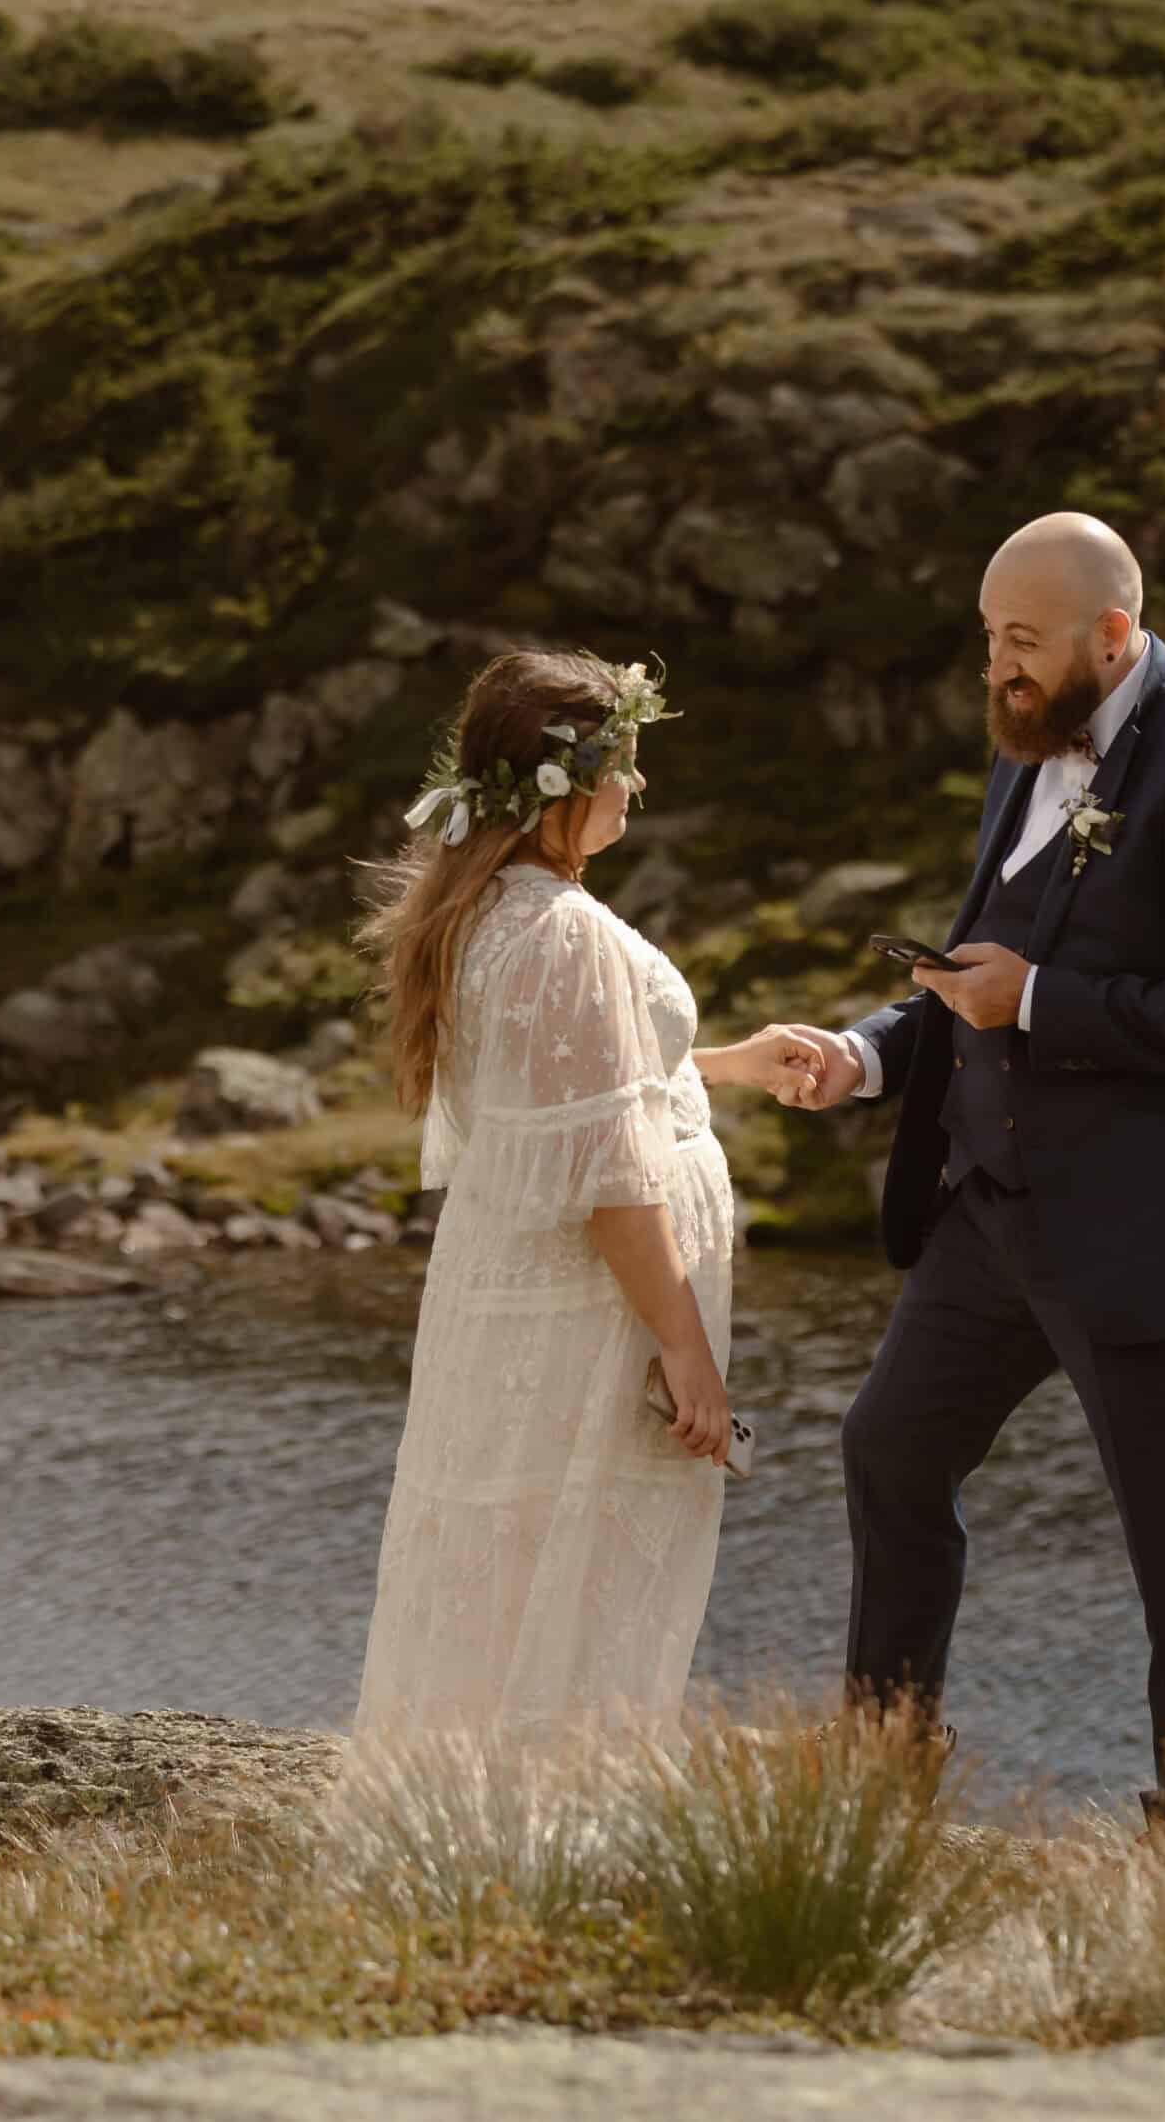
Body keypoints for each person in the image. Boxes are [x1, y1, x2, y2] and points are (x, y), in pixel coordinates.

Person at [791, 512, 1165, 1818]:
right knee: (889, 1454)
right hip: (994, 1212)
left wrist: (1043, 1001)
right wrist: (867, 1054)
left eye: (1020, 641)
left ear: (1111, 635)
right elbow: (983, 972)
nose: (997, 669)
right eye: (988, 640)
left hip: (1146, 1237)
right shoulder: (1026, 744)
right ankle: (884, 1790)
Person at [347, 648, 837, 1737]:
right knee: (579, 1562)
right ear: (565, 783)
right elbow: (611, 1175)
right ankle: (557, 1826)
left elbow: (570, 1085)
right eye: (624, 761)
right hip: (589, 1317)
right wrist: (684, 1347)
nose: (639, 786)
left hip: (513, 1297)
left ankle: (485, 1817)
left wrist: (727, 1062)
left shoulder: (482, 907)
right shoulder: (565, 931)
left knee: (512, 1562)